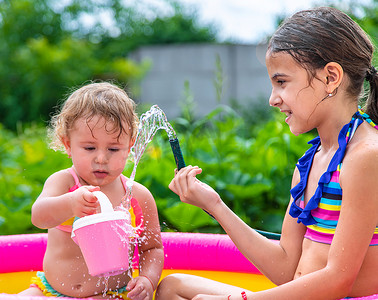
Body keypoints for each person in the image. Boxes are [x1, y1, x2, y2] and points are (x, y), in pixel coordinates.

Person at [155, 7, 378, 300]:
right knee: (174, 287)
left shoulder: (365, 156)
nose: (273, 99)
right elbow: (287, 268)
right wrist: (215, 205)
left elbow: (338, 281)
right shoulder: (312, 162)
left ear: (331, 77)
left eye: (282, 82)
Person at [19, 82, 164, 300]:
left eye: (113, 149)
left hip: (113, 294)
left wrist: (147, 280)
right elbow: (39, 217)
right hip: (52, 291)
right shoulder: (65, 183)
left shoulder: (137, 196)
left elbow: (152, 248)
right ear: (67, 144)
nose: (101, 158)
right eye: (89, 148)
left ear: (130, 145)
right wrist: (69, 204)